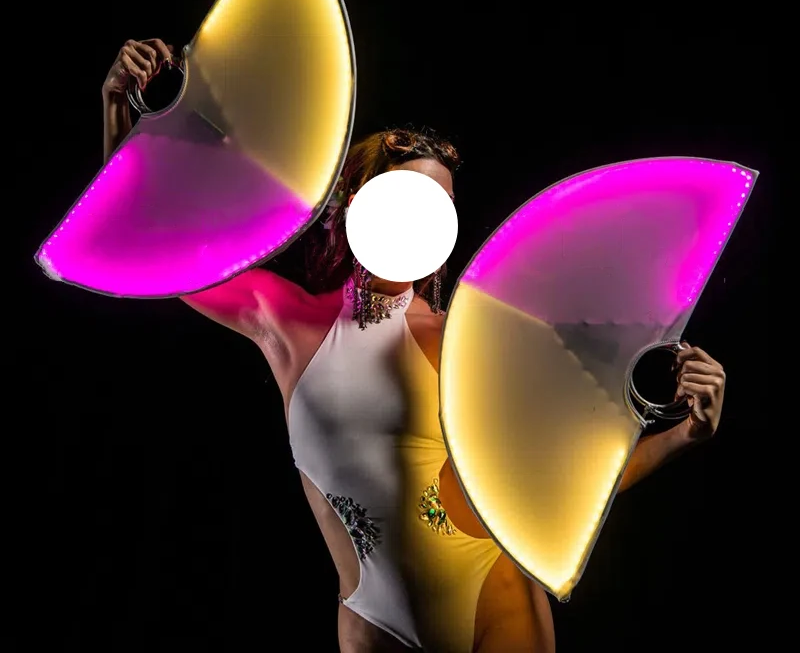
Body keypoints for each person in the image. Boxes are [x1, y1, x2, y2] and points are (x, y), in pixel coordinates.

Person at [102, 39, 729, 652]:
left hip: (494, 600)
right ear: (358, 203)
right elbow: (142, 249)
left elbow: (558, 486)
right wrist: (122, 111)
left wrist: (682, 435)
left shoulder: (467, 341)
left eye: (441, 208)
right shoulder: (286, 321)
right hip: (371, 622)